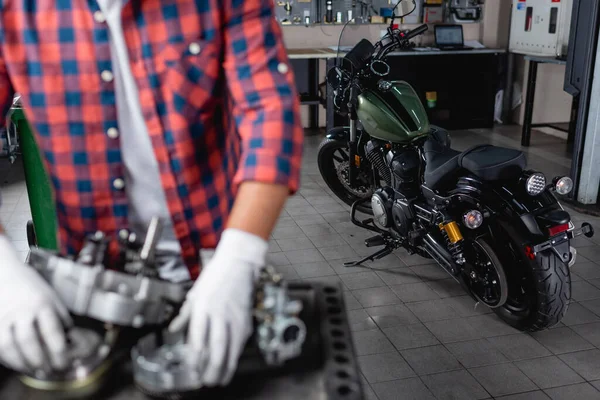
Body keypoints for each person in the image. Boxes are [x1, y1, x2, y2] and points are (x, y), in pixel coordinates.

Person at [0, 0, 303, 386]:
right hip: (91, 286)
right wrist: (3, 272)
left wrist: (239, 259)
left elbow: (271, 112)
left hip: (209, 269)